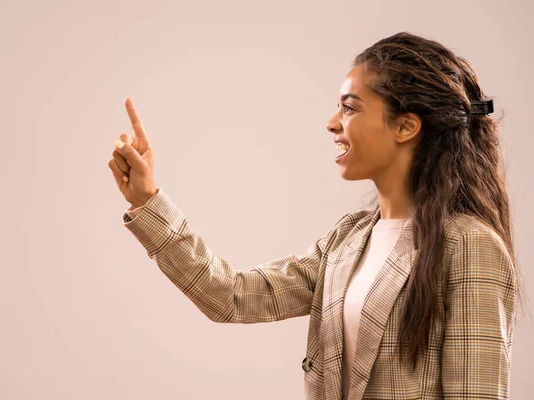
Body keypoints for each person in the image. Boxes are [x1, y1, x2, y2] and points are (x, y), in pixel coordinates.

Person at [107, 31, 523, 400]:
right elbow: (230, 296)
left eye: (350, 108)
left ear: (405, 126)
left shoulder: (468, 245)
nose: (331, 123)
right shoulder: (347, 241)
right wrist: (147, 200)